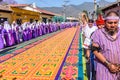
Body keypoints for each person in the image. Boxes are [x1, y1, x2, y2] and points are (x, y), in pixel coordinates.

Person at [91, 11, 120, 80]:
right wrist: (109, 64)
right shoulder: (98, 33)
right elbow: (95, 50)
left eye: (115, 23)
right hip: (104, 68)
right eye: (110, 23)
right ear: (105, 22)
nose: (113, 25)